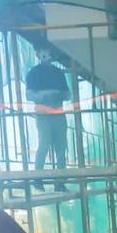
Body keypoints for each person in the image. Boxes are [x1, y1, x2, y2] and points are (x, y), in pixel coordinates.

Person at [26, 48, 71, 190]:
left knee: (60, 147)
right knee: (44, 144)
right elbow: (29, 95)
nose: (45, 54)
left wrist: (57, 95)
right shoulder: (33, 73)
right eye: (42, 51)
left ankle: (60, 182)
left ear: (51, 54)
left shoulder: (58, 73)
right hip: (44, 114)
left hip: (58, 113)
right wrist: (45, 97)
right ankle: (38, 179)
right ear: (38, 54)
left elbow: (68, 94)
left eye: (47, 51)